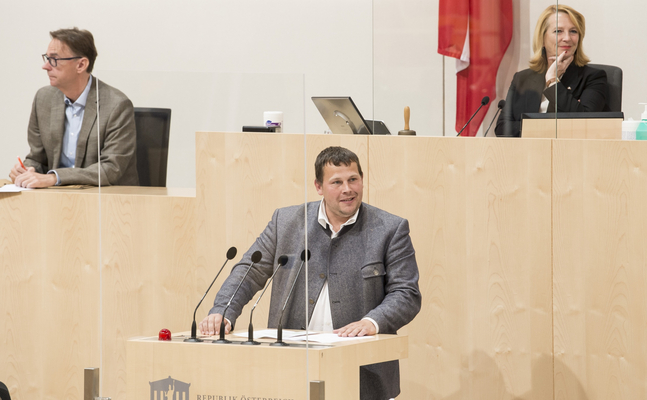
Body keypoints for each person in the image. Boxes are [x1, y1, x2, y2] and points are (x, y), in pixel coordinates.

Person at [199, 146, 422, 400]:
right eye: (336, 182)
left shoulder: (390, 228)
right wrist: (223, 311)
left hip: (363, 374)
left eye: (353, 179)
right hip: (292, 368)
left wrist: (372, 322)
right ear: (318, 187)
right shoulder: (285, 221)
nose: (347, 189)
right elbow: (249, 270)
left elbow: (406, 294)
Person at [9, 28, 138, 188]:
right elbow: (37, 158)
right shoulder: (43, 99)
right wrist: (27, 169)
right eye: (47, 58)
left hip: (107, 202)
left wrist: (55, 178)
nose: (45, 66)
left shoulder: (117, 105)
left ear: (81, 64)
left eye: (54, 60)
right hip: (58, 198)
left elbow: (110, 169)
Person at [495, 5, 609, 137]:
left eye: (573, 31)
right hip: (526, 154)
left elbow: (583, 124)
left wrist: (553, 82)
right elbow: (502, 128)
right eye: (558, 31)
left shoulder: (593, 77)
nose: (567, 38)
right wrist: (549, 126)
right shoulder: (522, 78)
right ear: (542, 38)